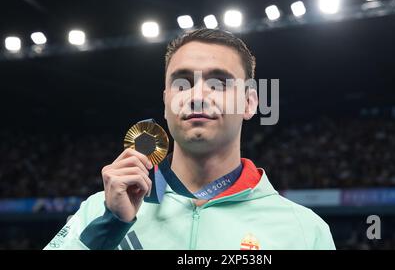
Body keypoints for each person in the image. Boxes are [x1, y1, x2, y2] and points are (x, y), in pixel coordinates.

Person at [44, 28, 335, 250]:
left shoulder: (304, 230)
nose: (196, 96)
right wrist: (108, 227)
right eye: (182, 83)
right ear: (166, 101)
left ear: (249, 103)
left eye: (219, 82)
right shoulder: (99, 210)